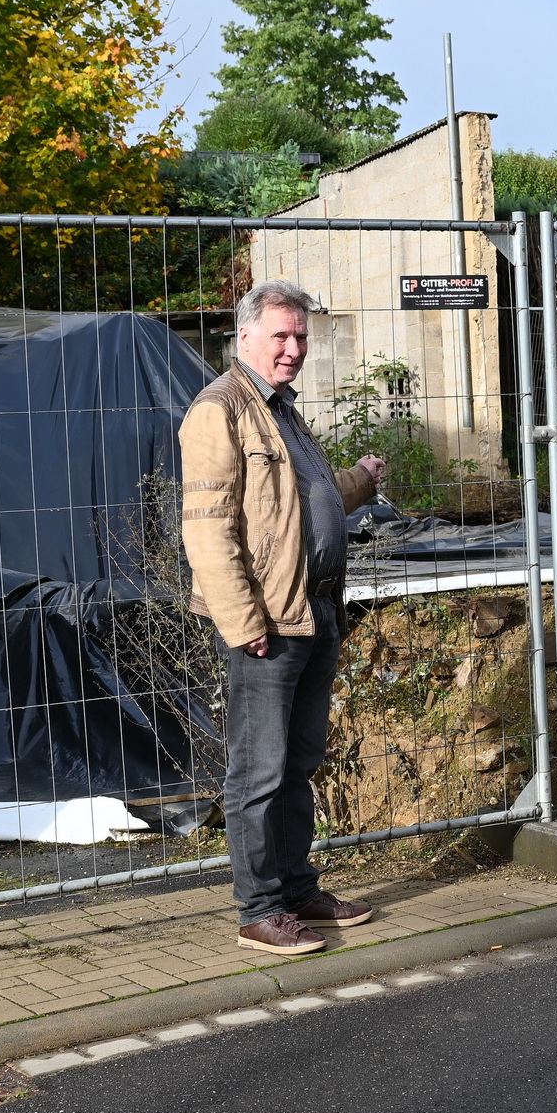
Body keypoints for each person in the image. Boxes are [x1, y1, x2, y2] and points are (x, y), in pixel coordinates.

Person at [180, 279, 387, 954]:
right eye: (281, 335)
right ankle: (259, 909)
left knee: (298, 760)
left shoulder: (281, 409)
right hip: (266, 623)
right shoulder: (221, 410)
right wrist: (244, 624)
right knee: (258, 770)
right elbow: (209, 532)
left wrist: (358, 479)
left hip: (314, 608)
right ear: (245, 337)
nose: (294, 347)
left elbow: (299, 502)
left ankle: (298, 889)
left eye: (300, 335)